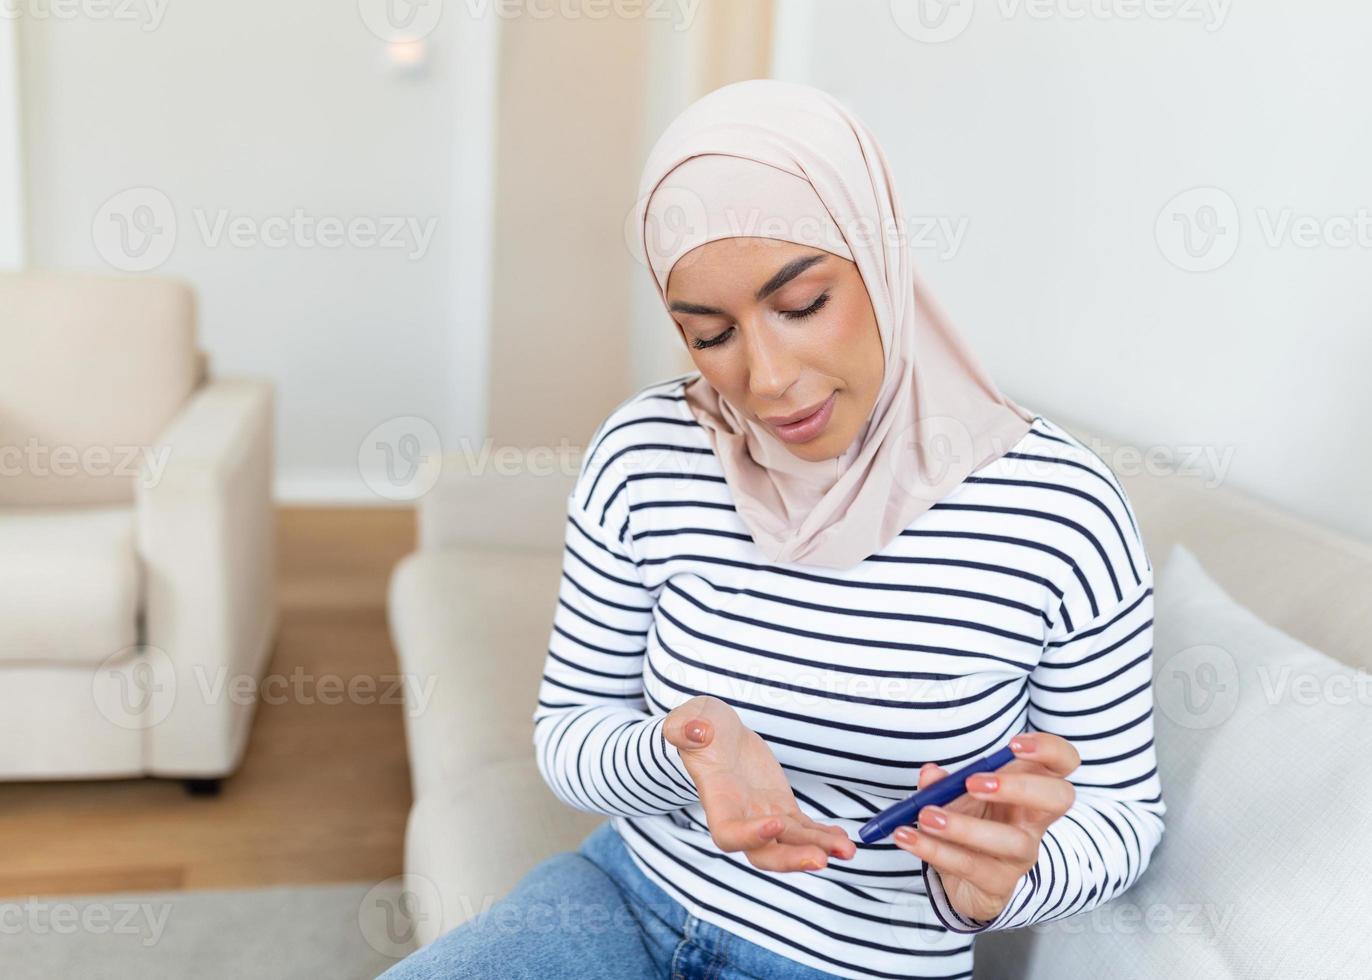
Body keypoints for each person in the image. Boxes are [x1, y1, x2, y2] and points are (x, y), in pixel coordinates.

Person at [381, 78, 1164, 980]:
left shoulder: (1060, 508)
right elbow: (569, 731)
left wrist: (1011, 880)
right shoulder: (647, 450)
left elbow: (1121, 811)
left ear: (879, 257)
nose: (768, 379)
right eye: (711, 335)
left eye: (801, 306)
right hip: (624, 903)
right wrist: (685, 748)